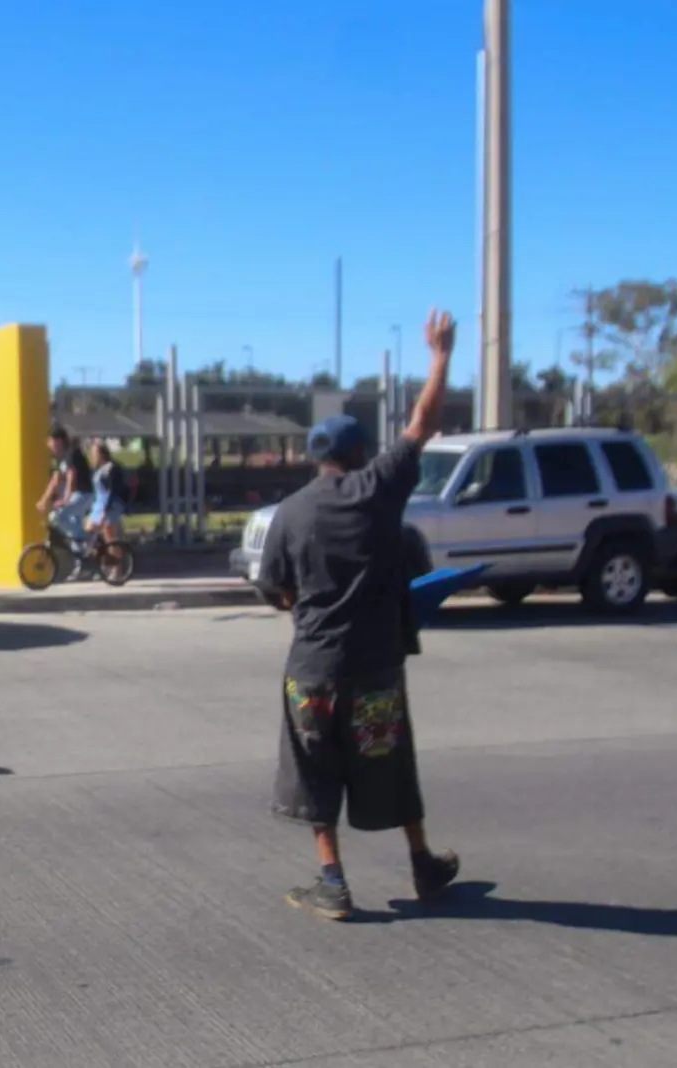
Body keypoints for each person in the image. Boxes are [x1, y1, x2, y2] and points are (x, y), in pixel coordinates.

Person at [255, 308, 462, 922]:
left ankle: (333, 882)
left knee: (317, 770)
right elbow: (424, 422)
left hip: (313, 671)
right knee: (391, 760)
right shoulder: (380, 489)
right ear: (361, 452)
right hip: (375, 669)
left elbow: (274, 590)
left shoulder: (289, 513)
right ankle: (422, 862)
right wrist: (440, 355)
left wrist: (310, 605)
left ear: (317, 458)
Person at [37, 425, 95, 552]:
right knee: (73, 530)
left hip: (83, 494)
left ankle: (87, 537)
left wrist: (66, 499)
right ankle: (81, 559)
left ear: (59, 441)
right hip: (78, 496)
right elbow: (55, 480)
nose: (48, 444)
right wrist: (43, 500)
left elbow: (71, 475)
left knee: (56, 517)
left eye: (50, 440)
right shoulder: (60, 458)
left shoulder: (71, 453)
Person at [86, 442, 124, 546]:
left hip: (110, 504)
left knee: (109, 536)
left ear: (101, 454)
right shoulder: (98, 469)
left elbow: (112, 490)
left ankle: (116, 560)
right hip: (99, 503)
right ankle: (100, 553)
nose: (92, 455)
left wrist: (105, 510)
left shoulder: (110, 468)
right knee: (89, 530)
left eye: (94, 453)